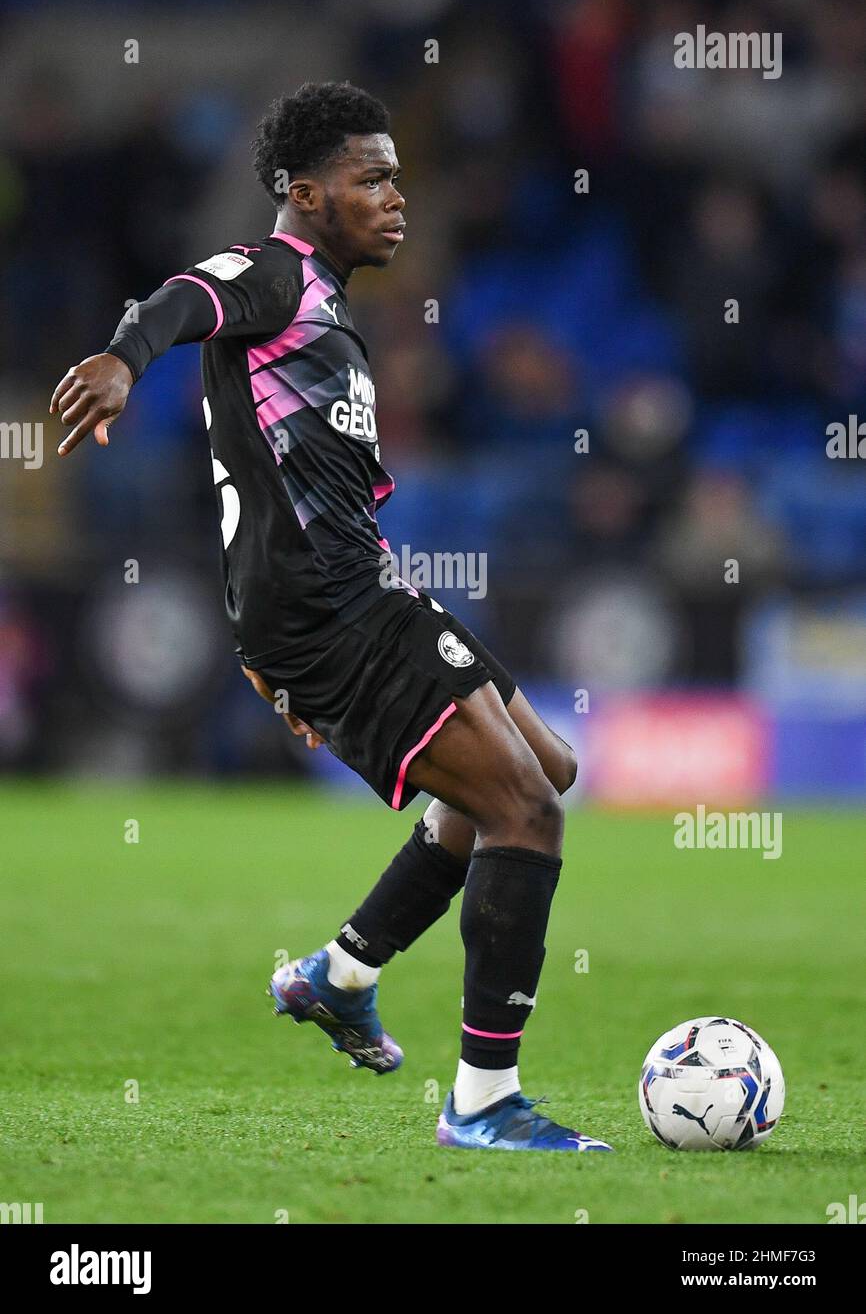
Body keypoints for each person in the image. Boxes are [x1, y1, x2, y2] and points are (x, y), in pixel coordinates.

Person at [50, 81, 611, 1152]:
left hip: (362, 595)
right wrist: (125, 359)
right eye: (371, 178)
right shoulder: (276, 276)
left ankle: (338, 973)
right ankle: (483, 1104)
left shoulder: (329, 313)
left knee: (547, 771)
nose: (397, 196)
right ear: (306, 195)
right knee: (525, 813)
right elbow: (179, 294)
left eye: (397, 175)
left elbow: (269, 495)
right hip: (331, 616)